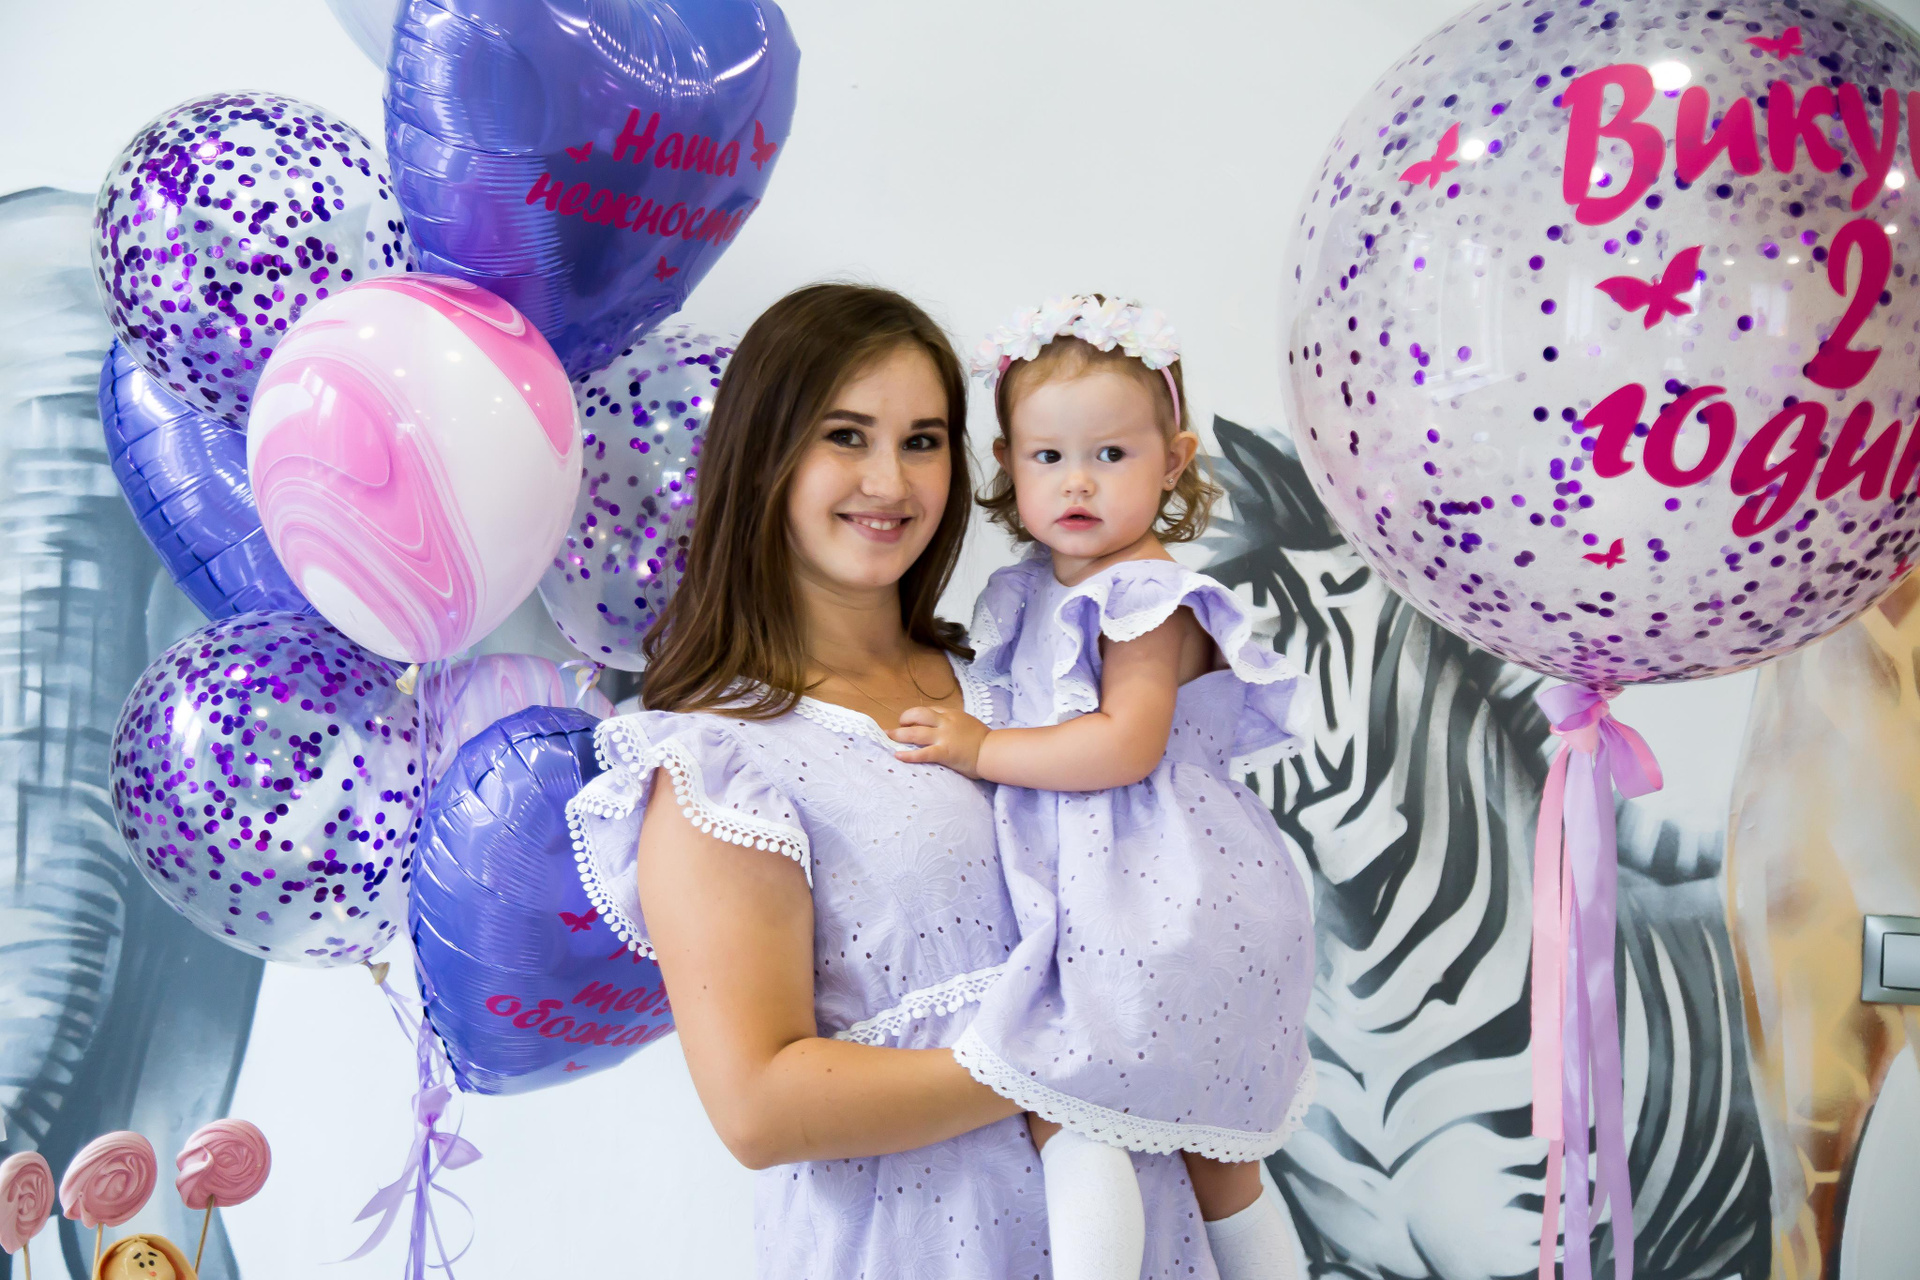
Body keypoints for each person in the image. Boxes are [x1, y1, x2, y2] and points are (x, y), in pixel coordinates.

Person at [566, 283, 1222, 1277]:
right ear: (765, 455)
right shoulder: (724, 757)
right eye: (846, 435)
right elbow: (759, 1107)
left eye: (923, 440)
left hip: (1148, 1228)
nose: (890, 480)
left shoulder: (1023, 679)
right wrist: (1070, 1054)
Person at [890, 295, 1315, 1280]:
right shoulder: (1040, 587)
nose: (1077, 480)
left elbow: (1126, 744)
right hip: (1133, 886)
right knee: (1215, 1161)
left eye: (1112, 454)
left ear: (1174, 459)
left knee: (1066, 1097)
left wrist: (980, 748)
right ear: (1009, 464)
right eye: (1048, 456)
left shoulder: (1144, 595)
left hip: (1160, 895)